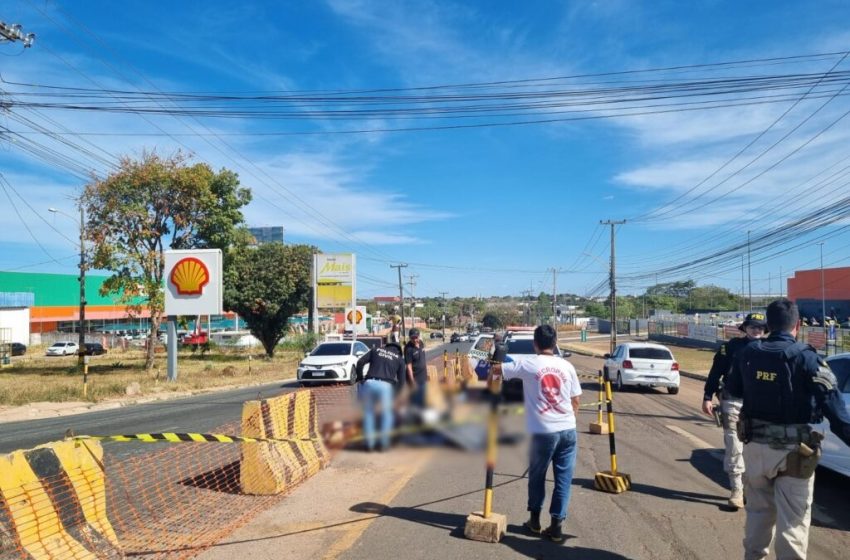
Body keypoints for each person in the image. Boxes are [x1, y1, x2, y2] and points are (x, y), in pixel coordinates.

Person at [726, 298, 850, 559]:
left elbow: (733, 390)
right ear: (799, 324)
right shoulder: (808, 358)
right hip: (794, 453)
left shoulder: (747, 354)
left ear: (768, 324)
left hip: (755, 447)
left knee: (758, 513)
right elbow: (835, 409)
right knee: (792, 521)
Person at [490, 324, 581, 543]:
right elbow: (575, 400)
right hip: (568, 430)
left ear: (535, 344)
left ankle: (535, 521)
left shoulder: (529, 364)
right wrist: (567, 420)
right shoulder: (567, 366)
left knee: (537, 477)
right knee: (563, 480)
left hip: (543, 432)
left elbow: (496, 370)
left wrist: (495, 353)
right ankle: (557, 527)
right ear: (555, 342)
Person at [701, 312, 767, 509]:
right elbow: (715, 372)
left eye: (761, 327)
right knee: (734, 445)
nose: (757, 330)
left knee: (756, 449)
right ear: (744, 328)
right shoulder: (729, 348)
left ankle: (751, 489)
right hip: (733, 401)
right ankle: (737, 490)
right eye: (753, 326)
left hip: (759, 405)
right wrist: (707, 396)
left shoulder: (770, 349)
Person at [355, 340, 406, 452]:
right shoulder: (399, 359)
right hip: (386, 387)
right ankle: (383, 444)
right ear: (398, 351)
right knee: (386, 415)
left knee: (368, 414)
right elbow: (402, 382)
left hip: (369, 383)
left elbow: (360, 362)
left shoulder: (375, 350)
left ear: (386, 346)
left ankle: (369, 444)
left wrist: (360, 378)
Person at [405, 328, 428, 408]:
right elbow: (409, 366)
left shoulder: (421, 343)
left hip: (423, 378)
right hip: (415, 380)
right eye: (412, 338)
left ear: (419, 336)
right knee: (415, 402)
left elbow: (423, 359)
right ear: (410, 338)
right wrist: (412, 381)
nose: (415, 340)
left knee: (423, 400)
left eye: (416, 337)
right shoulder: (408, 349)